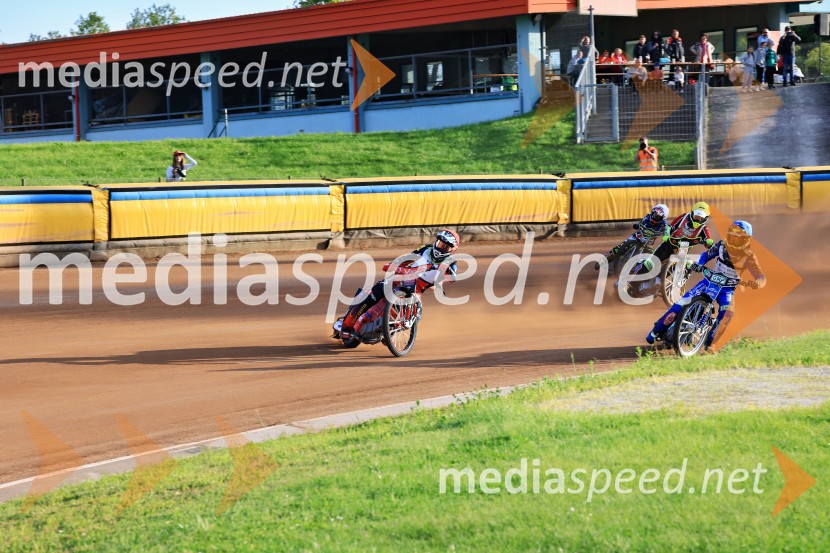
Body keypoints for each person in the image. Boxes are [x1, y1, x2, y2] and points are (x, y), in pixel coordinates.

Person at [646, 220, 766, 350]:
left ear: (746, 240)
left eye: (737, 239)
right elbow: (706, 255)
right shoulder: (721, 246)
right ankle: (656, 331)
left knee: (727, 313)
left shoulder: (749, 257)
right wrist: (699, 264)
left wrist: (757, 283)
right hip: (708, 282)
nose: (733, 241)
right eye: (732, 237)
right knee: (681, 303)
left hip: (727, 290)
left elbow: (761, 276)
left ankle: (711, 343)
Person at [333, 229, 460, 340]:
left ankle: (390, 332)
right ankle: (346, 325)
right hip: (401, 278)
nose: (441, 247)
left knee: (417, 314)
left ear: (452, 249)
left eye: (445, 246)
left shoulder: (450, 261)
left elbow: (452, 277)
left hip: (416, 290)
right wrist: (394, 265)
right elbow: (408, 258)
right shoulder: (426, 249)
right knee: (376, 291)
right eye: (440, 243)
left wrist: (442, 278)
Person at [634, 201, 715, 286]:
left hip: (682, 250)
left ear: (705, 218)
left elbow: (708, 240)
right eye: (696, 217)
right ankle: (633, 281)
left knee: (688, 264)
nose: (697, 220)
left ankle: (659, 282)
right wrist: (666, 234)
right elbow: (670, 227)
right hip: (669, 244)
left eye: (700, 218)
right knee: (650, 263)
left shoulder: (704, 228)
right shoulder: (683, 217)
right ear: (691, 213)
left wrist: (709, 243)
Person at [595, 204, 669, 270]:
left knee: (652, 257)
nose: (654, 217)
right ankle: (605, 258)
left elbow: (667, 232)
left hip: (647, 243)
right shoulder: (647, 217)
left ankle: (636, 271)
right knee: (620, 247)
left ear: (663, 218)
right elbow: (641, 222)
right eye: (654, 214)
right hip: (636, 237)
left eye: (657, 217)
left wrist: (666, 237)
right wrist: (637, 225)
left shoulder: (664, 224)